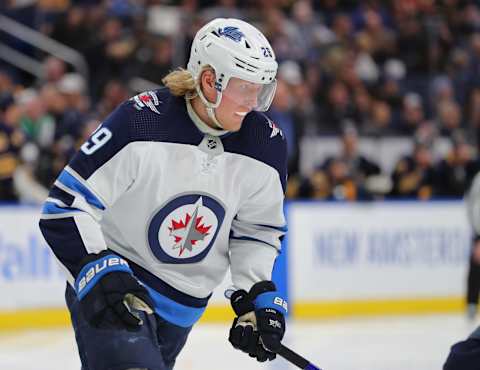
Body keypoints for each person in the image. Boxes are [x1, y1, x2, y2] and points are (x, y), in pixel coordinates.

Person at [39, 18, 288, 370]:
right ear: (208, 81)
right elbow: (65, 205)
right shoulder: (140, 121)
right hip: (118, 285)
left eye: (260, 89)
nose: (254, 102)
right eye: (244, 88)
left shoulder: (266, 144)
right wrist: (98, 269)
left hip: (183, 312)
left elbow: (256, 230)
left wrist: (254, 295)